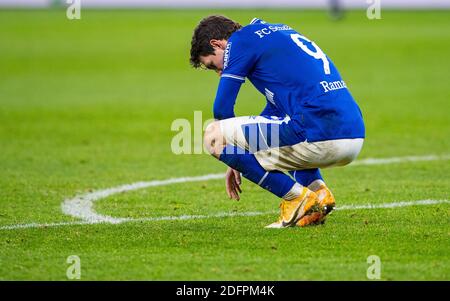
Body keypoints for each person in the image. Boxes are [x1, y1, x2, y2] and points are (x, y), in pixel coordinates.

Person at [189, 15, 365, 228]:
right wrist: (238, 155)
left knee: (212, 136)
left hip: (319, 134)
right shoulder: (275, 32)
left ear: (217, 43)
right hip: (353, 134)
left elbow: (221, 108)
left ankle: (297, 198)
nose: (218, 72)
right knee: (283, 130)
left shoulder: (240, 41)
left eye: (212, 65)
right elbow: (275, 113)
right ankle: (319, 194)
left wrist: (232, 149)